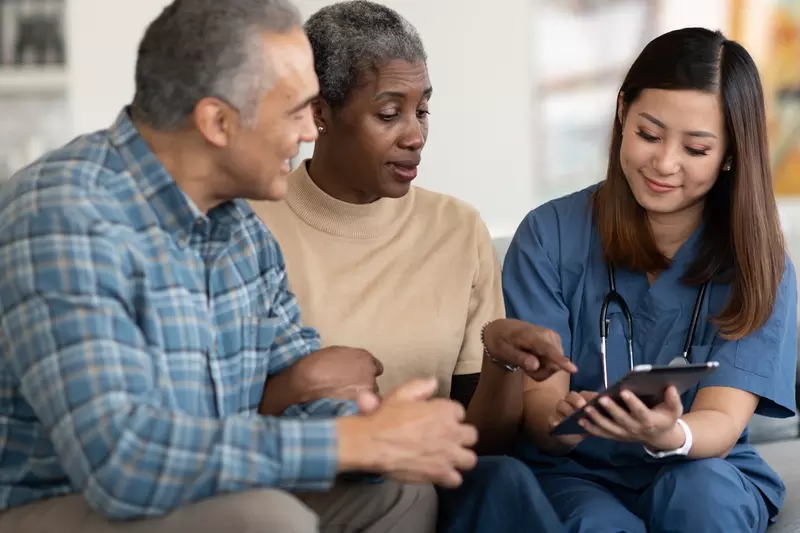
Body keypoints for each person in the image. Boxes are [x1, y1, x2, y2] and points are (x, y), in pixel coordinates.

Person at [0, 1, 482, 532]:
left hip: (202, 490)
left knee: (401, 491)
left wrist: (382, 433)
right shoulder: (66, 214)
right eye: (295, 111)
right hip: (57, 504)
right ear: (219, 122)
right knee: (263, 518)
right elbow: (123, 462)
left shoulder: (243, 231)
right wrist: (346, 443)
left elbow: (300, 394)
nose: (308, 130)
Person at [251, 2, 573, 532]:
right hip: (309, 488)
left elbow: (481, 446)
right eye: (388, 112)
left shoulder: (457, 228)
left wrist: (500, 361)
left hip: (432, 485)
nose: (415, 135)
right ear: (319, 112)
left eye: (422, 110)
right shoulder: (251, 226)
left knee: (505, 479)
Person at [501, 27, 798, 533]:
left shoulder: (759, 265)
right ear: (622, 112)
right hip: (574, 473)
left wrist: (671, 433)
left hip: (700, 464)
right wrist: (564, 422)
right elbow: (543, 413)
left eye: (697, 149)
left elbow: (722, 423)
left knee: (703, 500)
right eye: (649, 134)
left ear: (729, 154)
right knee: (593, 523)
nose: (664, 163)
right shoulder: (547, 237)